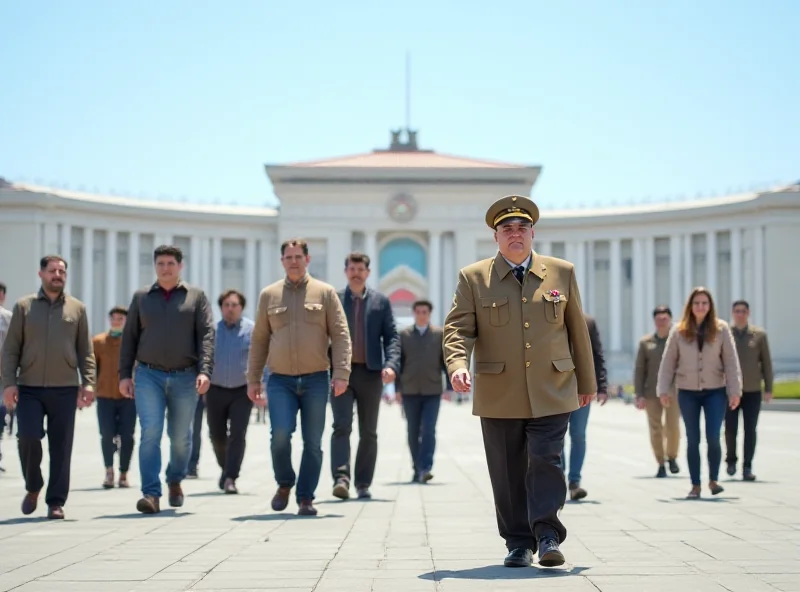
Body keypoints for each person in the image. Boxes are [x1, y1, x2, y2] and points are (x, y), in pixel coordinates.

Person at [443, 195, 597, 568]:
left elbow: (578, 330)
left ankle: (547, 535)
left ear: (533, 233)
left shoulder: (562, 272)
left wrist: (587, 381)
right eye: (507, 229)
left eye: (522, 228)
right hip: (500, 391)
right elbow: (457, 329)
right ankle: (517, 542)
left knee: (547, 460)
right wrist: (457, 365)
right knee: (507, 469)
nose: (515, 234)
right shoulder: (474, 278)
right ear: (496, 237)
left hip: (553, 386)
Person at [247, 239, 351, 516]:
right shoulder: (269, 295)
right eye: (288, 257)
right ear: (281, 261)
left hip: (317, 379)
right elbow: (259, 339)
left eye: (298, 256)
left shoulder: (325, 293)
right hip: (280, 380)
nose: (293, 261)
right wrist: (253, 379)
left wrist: (341, 373)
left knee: (313, 442)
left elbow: (340, 335)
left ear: (307, 259)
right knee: (279, 435)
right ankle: (284, 483)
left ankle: (306, 497)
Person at [119, 245, 215, 514]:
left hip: (185, 376)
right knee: (150, 432)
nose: (165, 268)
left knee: (181, 437)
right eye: (160, 263)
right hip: (149, 374)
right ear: (155, 266)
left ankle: (175, 478)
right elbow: (129, 339)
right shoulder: (141, 298)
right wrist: (125, 375)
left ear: (180, 266)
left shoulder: (195, 297)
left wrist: (205, 370)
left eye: (170, 263)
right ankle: (151, 493)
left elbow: (207, 335)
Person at [1, 256, 96, 519]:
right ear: (41, 273)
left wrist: (88, 382)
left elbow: (85, 351)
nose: (57, 275)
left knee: (61, 446)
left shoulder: (77, 308)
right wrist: (8, 383)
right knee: (28, 437)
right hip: (29, 387)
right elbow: (10, 350)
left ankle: (56, 502)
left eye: (62, 271)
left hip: (65, 388)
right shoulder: (24, 307)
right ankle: (33, 486)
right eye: (52, 270)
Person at [657, 287, 742, 499]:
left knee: (713, 436)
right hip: (687, 392)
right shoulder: (679, 330)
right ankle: (695, 485)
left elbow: (731, 362)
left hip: (715, 391)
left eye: (704, 303)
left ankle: (713, 480)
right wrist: (663, 389)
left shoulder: (721, 329)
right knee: (692, 438)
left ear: (710, 306)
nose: (701, 307)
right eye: (697, 303)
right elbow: (668, 362)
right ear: (690, 306)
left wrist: (735, 391)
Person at [330, 252, 400, 500]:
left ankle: (363, 483)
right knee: (341, 426)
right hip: (341, 374)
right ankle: (341, 478)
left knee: (369, 431)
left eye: (361, 269)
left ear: (368, 272)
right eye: (352, 268)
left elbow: (391, 336)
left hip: (371, 374)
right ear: (346, 271)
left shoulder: (381, 302)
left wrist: (391, 364)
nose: (356, 273)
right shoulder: (335, 300)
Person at [395, 299, 453, 484]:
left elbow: (446, 362)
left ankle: (426, 467)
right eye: (418, 312)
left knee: (428, 430)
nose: (421, 315)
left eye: (425, 312)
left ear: (429, 314)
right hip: (409, 390)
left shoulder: (439, 335)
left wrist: (450, 387)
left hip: (432, 390)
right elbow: (398, 362)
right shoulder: (404, 335)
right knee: (413, 431)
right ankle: (417, 468)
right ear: (414, 313)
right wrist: (397, 389)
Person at [206, 289, 254, 494]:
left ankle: (231, 477)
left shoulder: (252, 330)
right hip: (215, 389)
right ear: (221, 308)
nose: (230, 309)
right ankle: (225, 469)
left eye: (234, 305)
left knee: (237, 434)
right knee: (216, 434)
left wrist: (261, 385)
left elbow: (262, 359)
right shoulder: (212, 331)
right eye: (226, 305)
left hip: (242, 390)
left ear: (241, 307)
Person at [561, 314, 608, 501]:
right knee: (556, 436)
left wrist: (602, 386)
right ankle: (558, 478)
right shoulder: (547, 316)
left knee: (578, 434)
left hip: (581, 389)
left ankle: (574, 481)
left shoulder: (587, 322)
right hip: (555, 390)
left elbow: (597, 354)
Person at [725, 300, 773, 481]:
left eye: (743, 311)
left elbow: (766, 363)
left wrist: (768, 388)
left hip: (752, 390)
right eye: (737, 311)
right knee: (730, 428)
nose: (740, 314)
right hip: (730, 391)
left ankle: (747, 466)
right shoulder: (724, 334)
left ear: (748, 313)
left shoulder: (759, 335)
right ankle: (731, 460)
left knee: (750, 429)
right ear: (732, 313)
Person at [634, 305, 681, 478]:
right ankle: (661, 462)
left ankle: (672, 457)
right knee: (655, 429)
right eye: (659, 318)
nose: (662, 321)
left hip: (673, 391)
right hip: (651, 392)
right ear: (654, 320)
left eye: (665, 318)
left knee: (672, 427)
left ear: (670, 319)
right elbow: (640, 369)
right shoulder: (646, 342)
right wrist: (638, 394)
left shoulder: (678, 340)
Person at [93, 306, 137, 489]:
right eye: (114, 318)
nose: (117, 322)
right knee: (106, 435)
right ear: (110, 320)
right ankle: (109, 471)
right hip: (105, 395)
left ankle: (124, 473)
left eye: (121, 319)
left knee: (127, 436)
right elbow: (93, 368)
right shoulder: (98, 342)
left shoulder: (134, 343)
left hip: (128, 397)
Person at [186, 397, 205, 478]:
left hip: (197, 392)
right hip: (176, 390)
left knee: (195, 430)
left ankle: (191, 466)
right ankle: (179, 466)